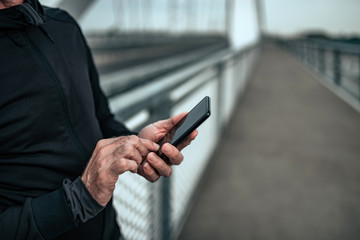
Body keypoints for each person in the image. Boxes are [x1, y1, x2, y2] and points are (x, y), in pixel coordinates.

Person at [0, 0, 197, 239]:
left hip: (110, 231)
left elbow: (100, 117)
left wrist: (138, 144)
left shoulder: (64, 26)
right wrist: (78, 200)